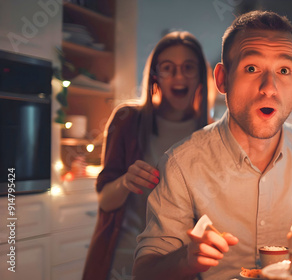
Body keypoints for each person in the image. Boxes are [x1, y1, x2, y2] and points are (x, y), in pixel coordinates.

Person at [133, 10, 292, 280]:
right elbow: (143, 273)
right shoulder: (181, 164)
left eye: (283, 70)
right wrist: (185, 260)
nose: (269, 87)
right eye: (252, 68)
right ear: (222, 79)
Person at [82, 31, 212, 280]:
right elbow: (105, 201)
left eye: (188, 67)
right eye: (167, 68)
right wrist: (125, 182)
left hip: (178, 268)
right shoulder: (126, 120)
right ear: (155, 76)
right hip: (122, 261)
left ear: (199, 78)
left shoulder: (210, 135)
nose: (178, 76)